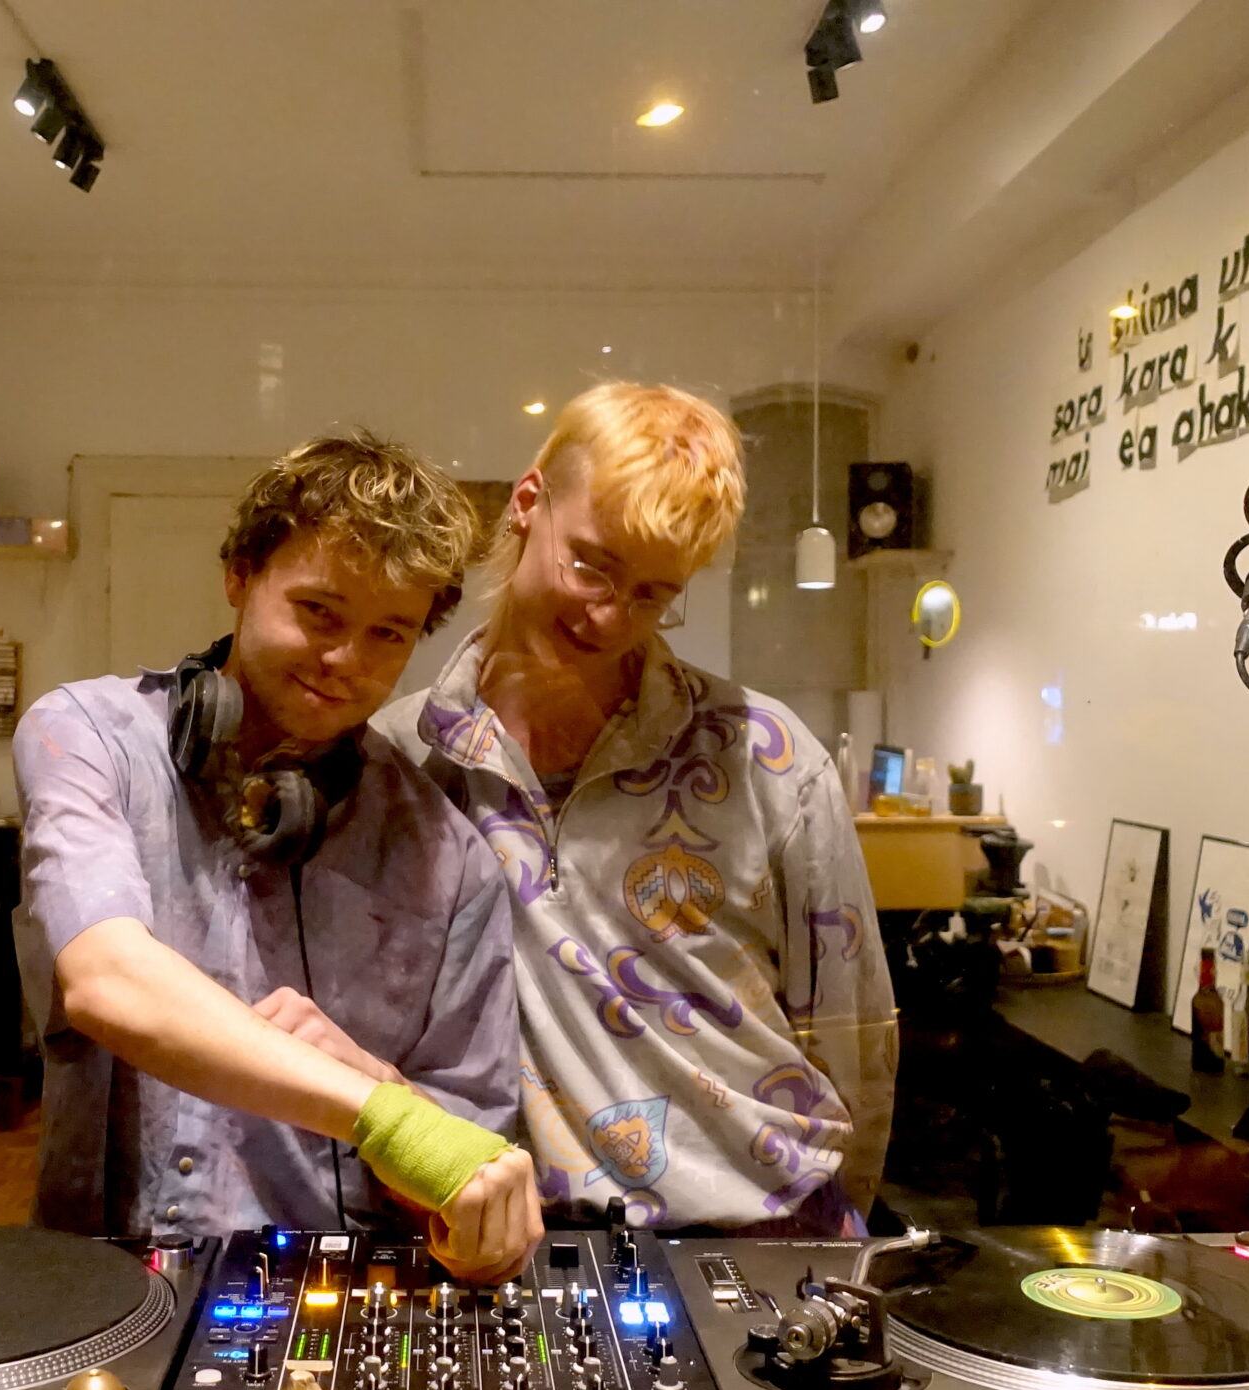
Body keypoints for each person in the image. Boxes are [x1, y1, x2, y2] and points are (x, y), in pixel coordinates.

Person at [14, 432, 542, 1279]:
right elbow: (106, 977)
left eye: (388, 633)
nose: (345, 662)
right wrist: (384, 1116)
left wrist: (383, 1088)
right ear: (240, 575)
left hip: (327, 1293)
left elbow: (468, 1174)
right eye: (319, 612)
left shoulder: (453, 863)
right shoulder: (85, 736)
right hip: (95, 1285)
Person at [377, 382, 899, 1235]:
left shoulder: (768, 756)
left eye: (653, 594)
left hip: (761, 1231)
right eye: (592, 565)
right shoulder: (398, 759)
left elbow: (856, 1039)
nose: (610, 615)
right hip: (507, 1242)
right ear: (527, 502)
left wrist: (836, 1243)